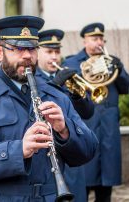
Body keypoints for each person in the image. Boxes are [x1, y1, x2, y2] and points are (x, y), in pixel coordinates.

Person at [0, 15, 98, 202]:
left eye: (32, 49)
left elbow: (88, 151)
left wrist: (65, 130)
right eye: (18, 49)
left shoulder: (56, 95)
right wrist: (18, 150)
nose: (27, 56)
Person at [62, 22, 129, 202]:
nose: (98, 42)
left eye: (100, 38)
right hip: (86, 126)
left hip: (108, 129)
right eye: (94, 39)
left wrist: (120, 70)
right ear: (85, 41)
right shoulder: (72, 63)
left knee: (106, 185)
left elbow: (125, 88)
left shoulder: (110, 61)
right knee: (83, 184)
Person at [36, 29, 95, 202]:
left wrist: (78, 96)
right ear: (37, 53)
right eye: (49, 52)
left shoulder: (69, 77)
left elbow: (88, 113)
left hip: (72, 156)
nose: (54, 57)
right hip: (48, 157)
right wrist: (54, 84)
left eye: (57, 51)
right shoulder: (32, 78)